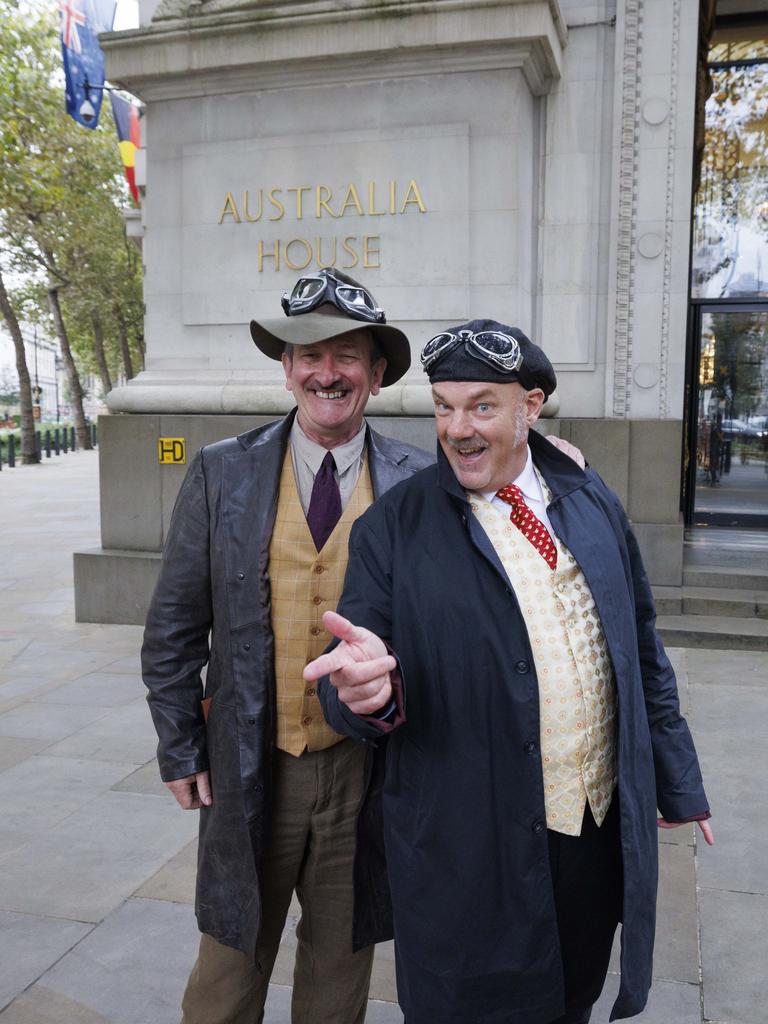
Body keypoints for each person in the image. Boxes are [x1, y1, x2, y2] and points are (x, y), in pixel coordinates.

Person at [306, 319, 713, 1024]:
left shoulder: (589, 500)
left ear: (531, 406)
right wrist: (364, 693)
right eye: (443, 407)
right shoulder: (394, 528)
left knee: (570, 999)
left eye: (482, 407)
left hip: (589, 833)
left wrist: (678, 780)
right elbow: (355, 674)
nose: (457, 429)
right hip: (469, 850)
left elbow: (640, 647)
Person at [141, 270, 434, 1024]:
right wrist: (179, 745)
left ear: (375, 373)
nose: (325, 372)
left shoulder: (422, 483)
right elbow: (174, 628)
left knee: (340, 970)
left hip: (368, 770)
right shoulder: (221, 470)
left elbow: (448, 634)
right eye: (309, 355)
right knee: (227, 971)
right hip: (249, 761)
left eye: (345, 356)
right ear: (287, 368)